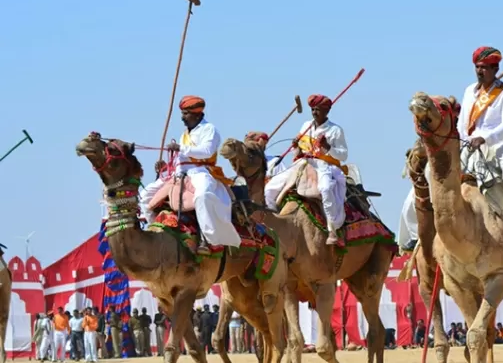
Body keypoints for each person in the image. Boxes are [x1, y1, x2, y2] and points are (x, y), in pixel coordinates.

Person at [138, 95, 241, 254]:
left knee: (203, 196)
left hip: (200, 171)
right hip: (179, 174)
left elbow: (206, 151)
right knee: (145, 195)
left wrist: (181, 148)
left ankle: (207, 239)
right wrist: (165, 169)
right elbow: (180, 160)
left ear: (197, 114)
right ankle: (153, 234)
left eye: (186, 113)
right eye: (182, 113)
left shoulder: (209, 129)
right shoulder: (184, 134)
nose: (182, 117)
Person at [457, 46, 503, 233]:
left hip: (497, 145)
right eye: (478, 67)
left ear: (496, 69)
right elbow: (461, 123)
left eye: (485, 68)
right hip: (467, 146)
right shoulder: (469, 92)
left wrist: (485, 138)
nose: (480, 72)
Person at [264, 94, 348, 246]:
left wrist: (327, 147)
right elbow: (297, 153)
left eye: (318, 110)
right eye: (313, 110)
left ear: (326, 111)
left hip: (324, 166)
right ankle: (272, 223)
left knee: (326, 188)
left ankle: (332, 229)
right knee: (270, 187)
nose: (315, 113)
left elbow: (343, 155)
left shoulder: (335, 130)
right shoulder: (306, 126)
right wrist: (296, 147)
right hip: (303, 164)